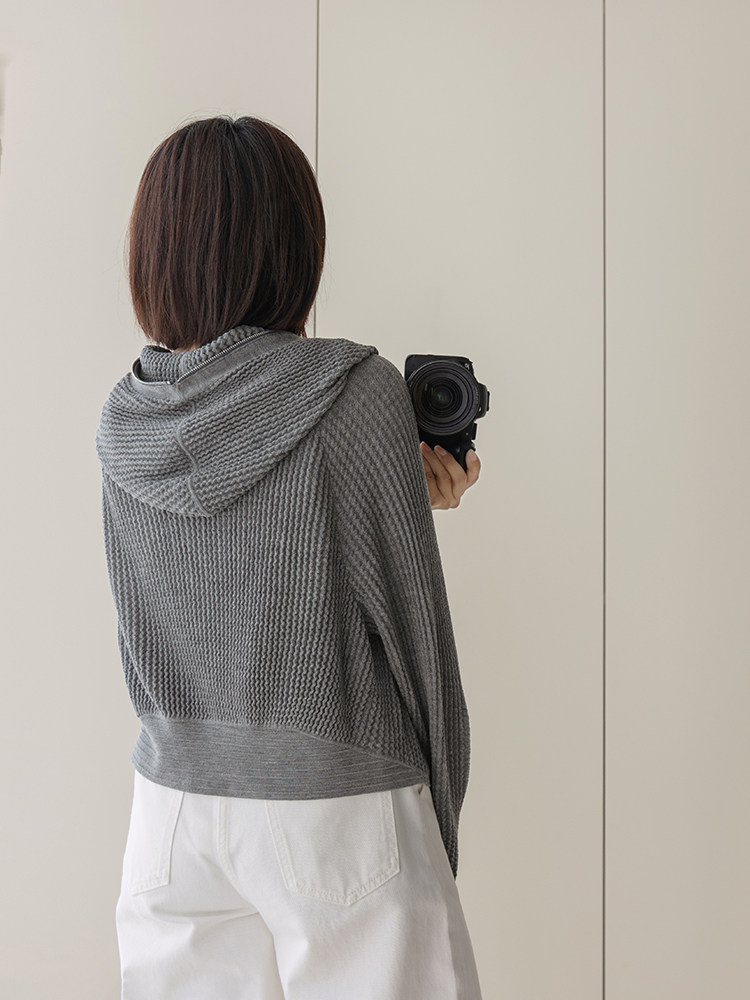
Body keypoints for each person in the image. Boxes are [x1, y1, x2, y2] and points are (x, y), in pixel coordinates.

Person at [95, 114, 483, 999]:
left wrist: (391, 492)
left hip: (170, 813)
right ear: (293, 246)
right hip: (338, 809)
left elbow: (175, 598)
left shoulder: (124, 423)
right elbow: (418, 645)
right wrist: (437, 817)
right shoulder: (353, 391)